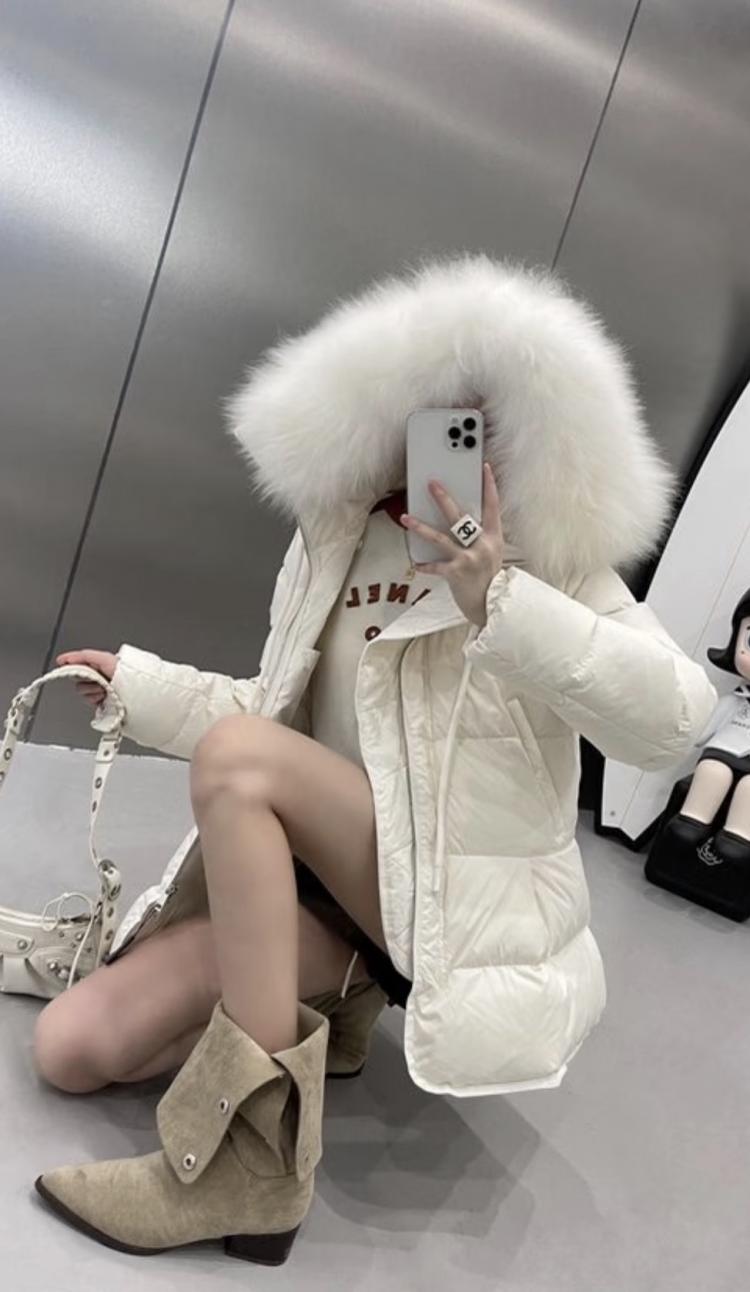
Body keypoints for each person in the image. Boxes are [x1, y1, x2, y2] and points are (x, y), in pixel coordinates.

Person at [30, 254, 718, 1263]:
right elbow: (268, 717)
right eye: (426, 411)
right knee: (73, 1049)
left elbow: (675, 720)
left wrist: (496, 596)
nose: (443, 438)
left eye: (474, 422)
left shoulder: (553, 563)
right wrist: (137, 685)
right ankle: (339, 991)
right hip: (331, 889)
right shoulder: (338, 540)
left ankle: (253, 1163)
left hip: (441, 897)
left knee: (239, 762)